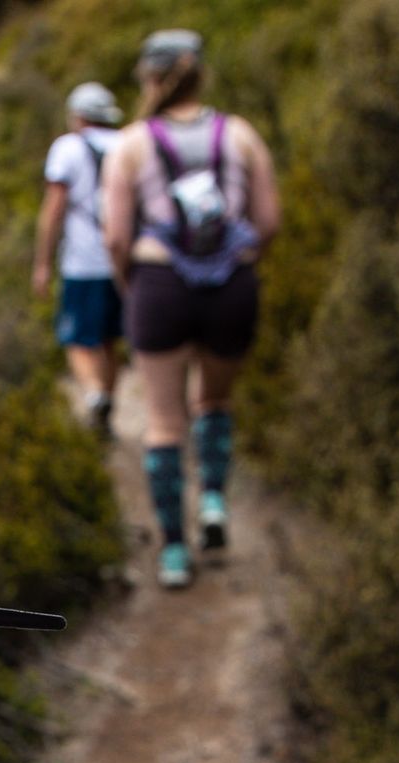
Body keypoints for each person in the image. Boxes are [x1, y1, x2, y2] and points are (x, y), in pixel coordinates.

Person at [103, 29, 281, 587]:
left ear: (149, 79)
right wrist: (243, 265)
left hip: (160, 283)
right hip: (232, 285)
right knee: (215, 399)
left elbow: (114, 235)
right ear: (201, 75)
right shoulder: (241, 136)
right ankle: (212, 500)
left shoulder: (130, 145)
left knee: (163, 421)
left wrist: (132, 284)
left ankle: (175, 553)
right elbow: (269, 221)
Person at [33, 81, 126, 437]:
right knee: (109, 340)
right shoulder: (126, 145)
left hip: (83, 261)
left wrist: (42, 263)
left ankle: (93, 394)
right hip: (123, 260)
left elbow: (54, 209)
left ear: (78, 116)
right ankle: (109, 406)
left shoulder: (67, 149)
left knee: (75, 338)